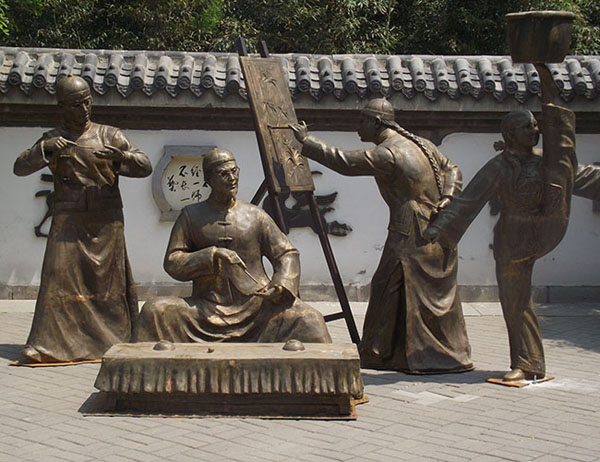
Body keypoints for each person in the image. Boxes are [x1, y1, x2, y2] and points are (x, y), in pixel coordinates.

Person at [290, 98, 472, 373]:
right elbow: (452, 169)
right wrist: (447, 197)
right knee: (406, 287)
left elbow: (346, 162)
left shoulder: (390, 153)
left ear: (376, 122)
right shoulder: (422, 145)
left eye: (362, 121)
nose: (358, 127)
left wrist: (307, 142)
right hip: (438, 223)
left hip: (410, 226)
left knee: (388, 284)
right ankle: (399, 351)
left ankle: (385, 351)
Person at [425, 105, 577, 382]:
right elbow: (470, 199)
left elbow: (574, 175)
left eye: (535, 125)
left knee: (518, 300)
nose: (535, 131)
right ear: (510, 133)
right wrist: (439, 228)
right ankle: (528, 363)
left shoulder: (546, 162)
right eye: (527, 126)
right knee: (515, 301)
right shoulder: (499, 166)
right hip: (511, 239)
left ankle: (529, 363)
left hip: (538, 232)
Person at [14, 75, 152, 363]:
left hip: (106, 219)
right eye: (77, 105)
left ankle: (115, 339)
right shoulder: (53, 138)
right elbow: (20, 167)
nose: (85, 109)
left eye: (88, 102)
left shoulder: (110, 134)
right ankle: (45, 344)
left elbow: (145, 166)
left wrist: (122, 157)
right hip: (68, 220)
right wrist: (46, 149)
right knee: (57, 280)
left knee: (109, 284)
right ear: (62, 107)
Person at [132, 148, 332, 344]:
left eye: (234, 171)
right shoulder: (191, 216)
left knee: (310, 319)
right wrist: (211, 256)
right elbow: (173, 261)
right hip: (206, 309)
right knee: (154, 311)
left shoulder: (255, 215)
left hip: (257, 306)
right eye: (223, 174)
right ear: (208, 179)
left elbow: (286, 253)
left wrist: (281, 284)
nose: (232, 178)